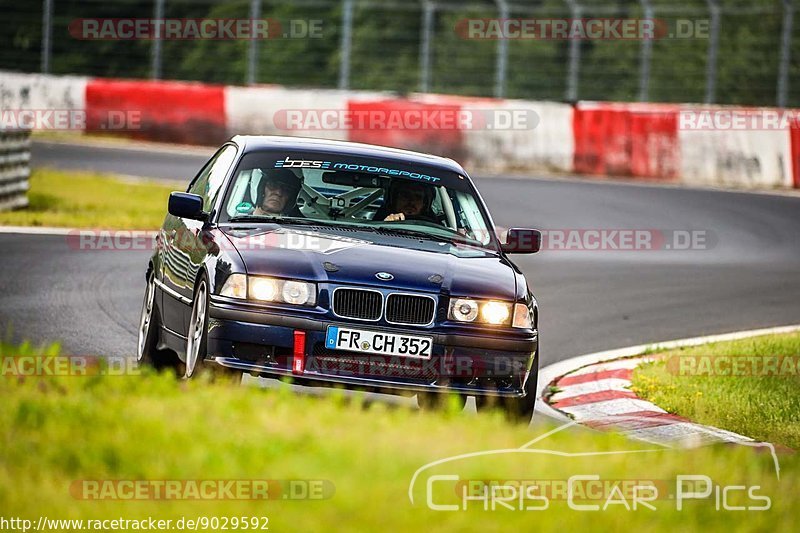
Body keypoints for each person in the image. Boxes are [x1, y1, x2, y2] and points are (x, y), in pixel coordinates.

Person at [373, 179, 439, 223]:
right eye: (405, 195)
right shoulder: (378, 222)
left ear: (424, 203)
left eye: (418, 197)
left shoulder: (438, 229)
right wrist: (385, 225)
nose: (411, 201)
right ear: (394, 199)